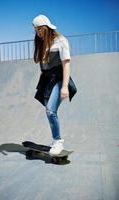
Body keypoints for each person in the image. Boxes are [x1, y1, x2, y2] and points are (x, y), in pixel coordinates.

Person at [32, 14, 77, 155]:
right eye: (35, 30)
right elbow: (43, 63)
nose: (38, 32)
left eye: (40, 29)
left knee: (50, 110)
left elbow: (66, 65)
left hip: (59, 78)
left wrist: (64, 87)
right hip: (47, 79)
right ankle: (55, 140)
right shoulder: (40, 41)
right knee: (49, 110)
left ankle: (58, 142)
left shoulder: (61, 41)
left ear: (46, 28)